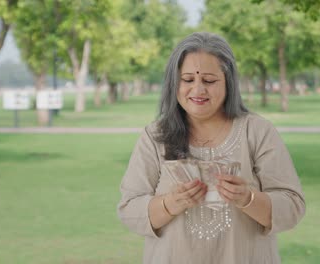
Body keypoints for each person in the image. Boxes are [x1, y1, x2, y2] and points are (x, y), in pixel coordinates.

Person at [117, 32, 305, 264]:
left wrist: (247, 198)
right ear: (174, 83)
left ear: (228, 83)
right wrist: (170, 203)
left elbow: (292, 206)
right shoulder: (155, 136)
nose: (198, 90)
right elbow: (129, 210)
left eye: (209, 80)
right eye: (187, 80)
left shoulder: (257, 132)